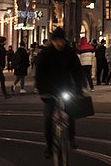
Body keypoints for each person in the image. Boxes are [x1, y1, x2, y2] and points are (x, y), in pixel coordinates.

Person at [35, 27, 87, 158]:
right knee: (48, 117)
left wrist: (79, 89)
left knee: (70, 112)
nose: (59, 43)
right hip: (49, 89)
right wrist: (42, 91)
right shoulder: (46, 54)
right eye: (56, 40)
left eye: (61, 40)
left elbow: (76, 71)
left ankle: (71, 138)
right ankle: (49, 145)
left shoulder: (69, 53)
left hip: (66, 87)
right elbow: (39, 73)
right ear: (52, 41)